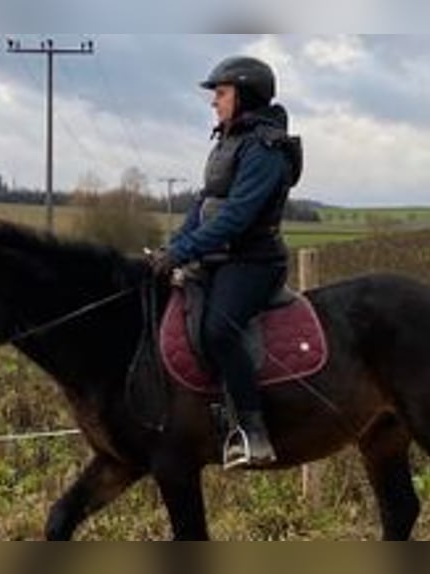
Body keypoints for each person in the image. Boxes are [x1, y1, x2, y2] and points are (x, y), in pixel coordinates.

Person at [150, 56, 302, 470]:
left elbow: (237, 216)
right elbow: (204, 205)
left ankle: (254, 433)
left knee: (219, 329)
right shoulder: (230, 141)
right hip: (220, 258)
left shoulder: (267, 149)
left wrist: (184, 253)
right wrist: (172, 247)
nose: (214, 102)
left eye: (220, 93)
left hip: (253, 262)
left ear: (244, 95)